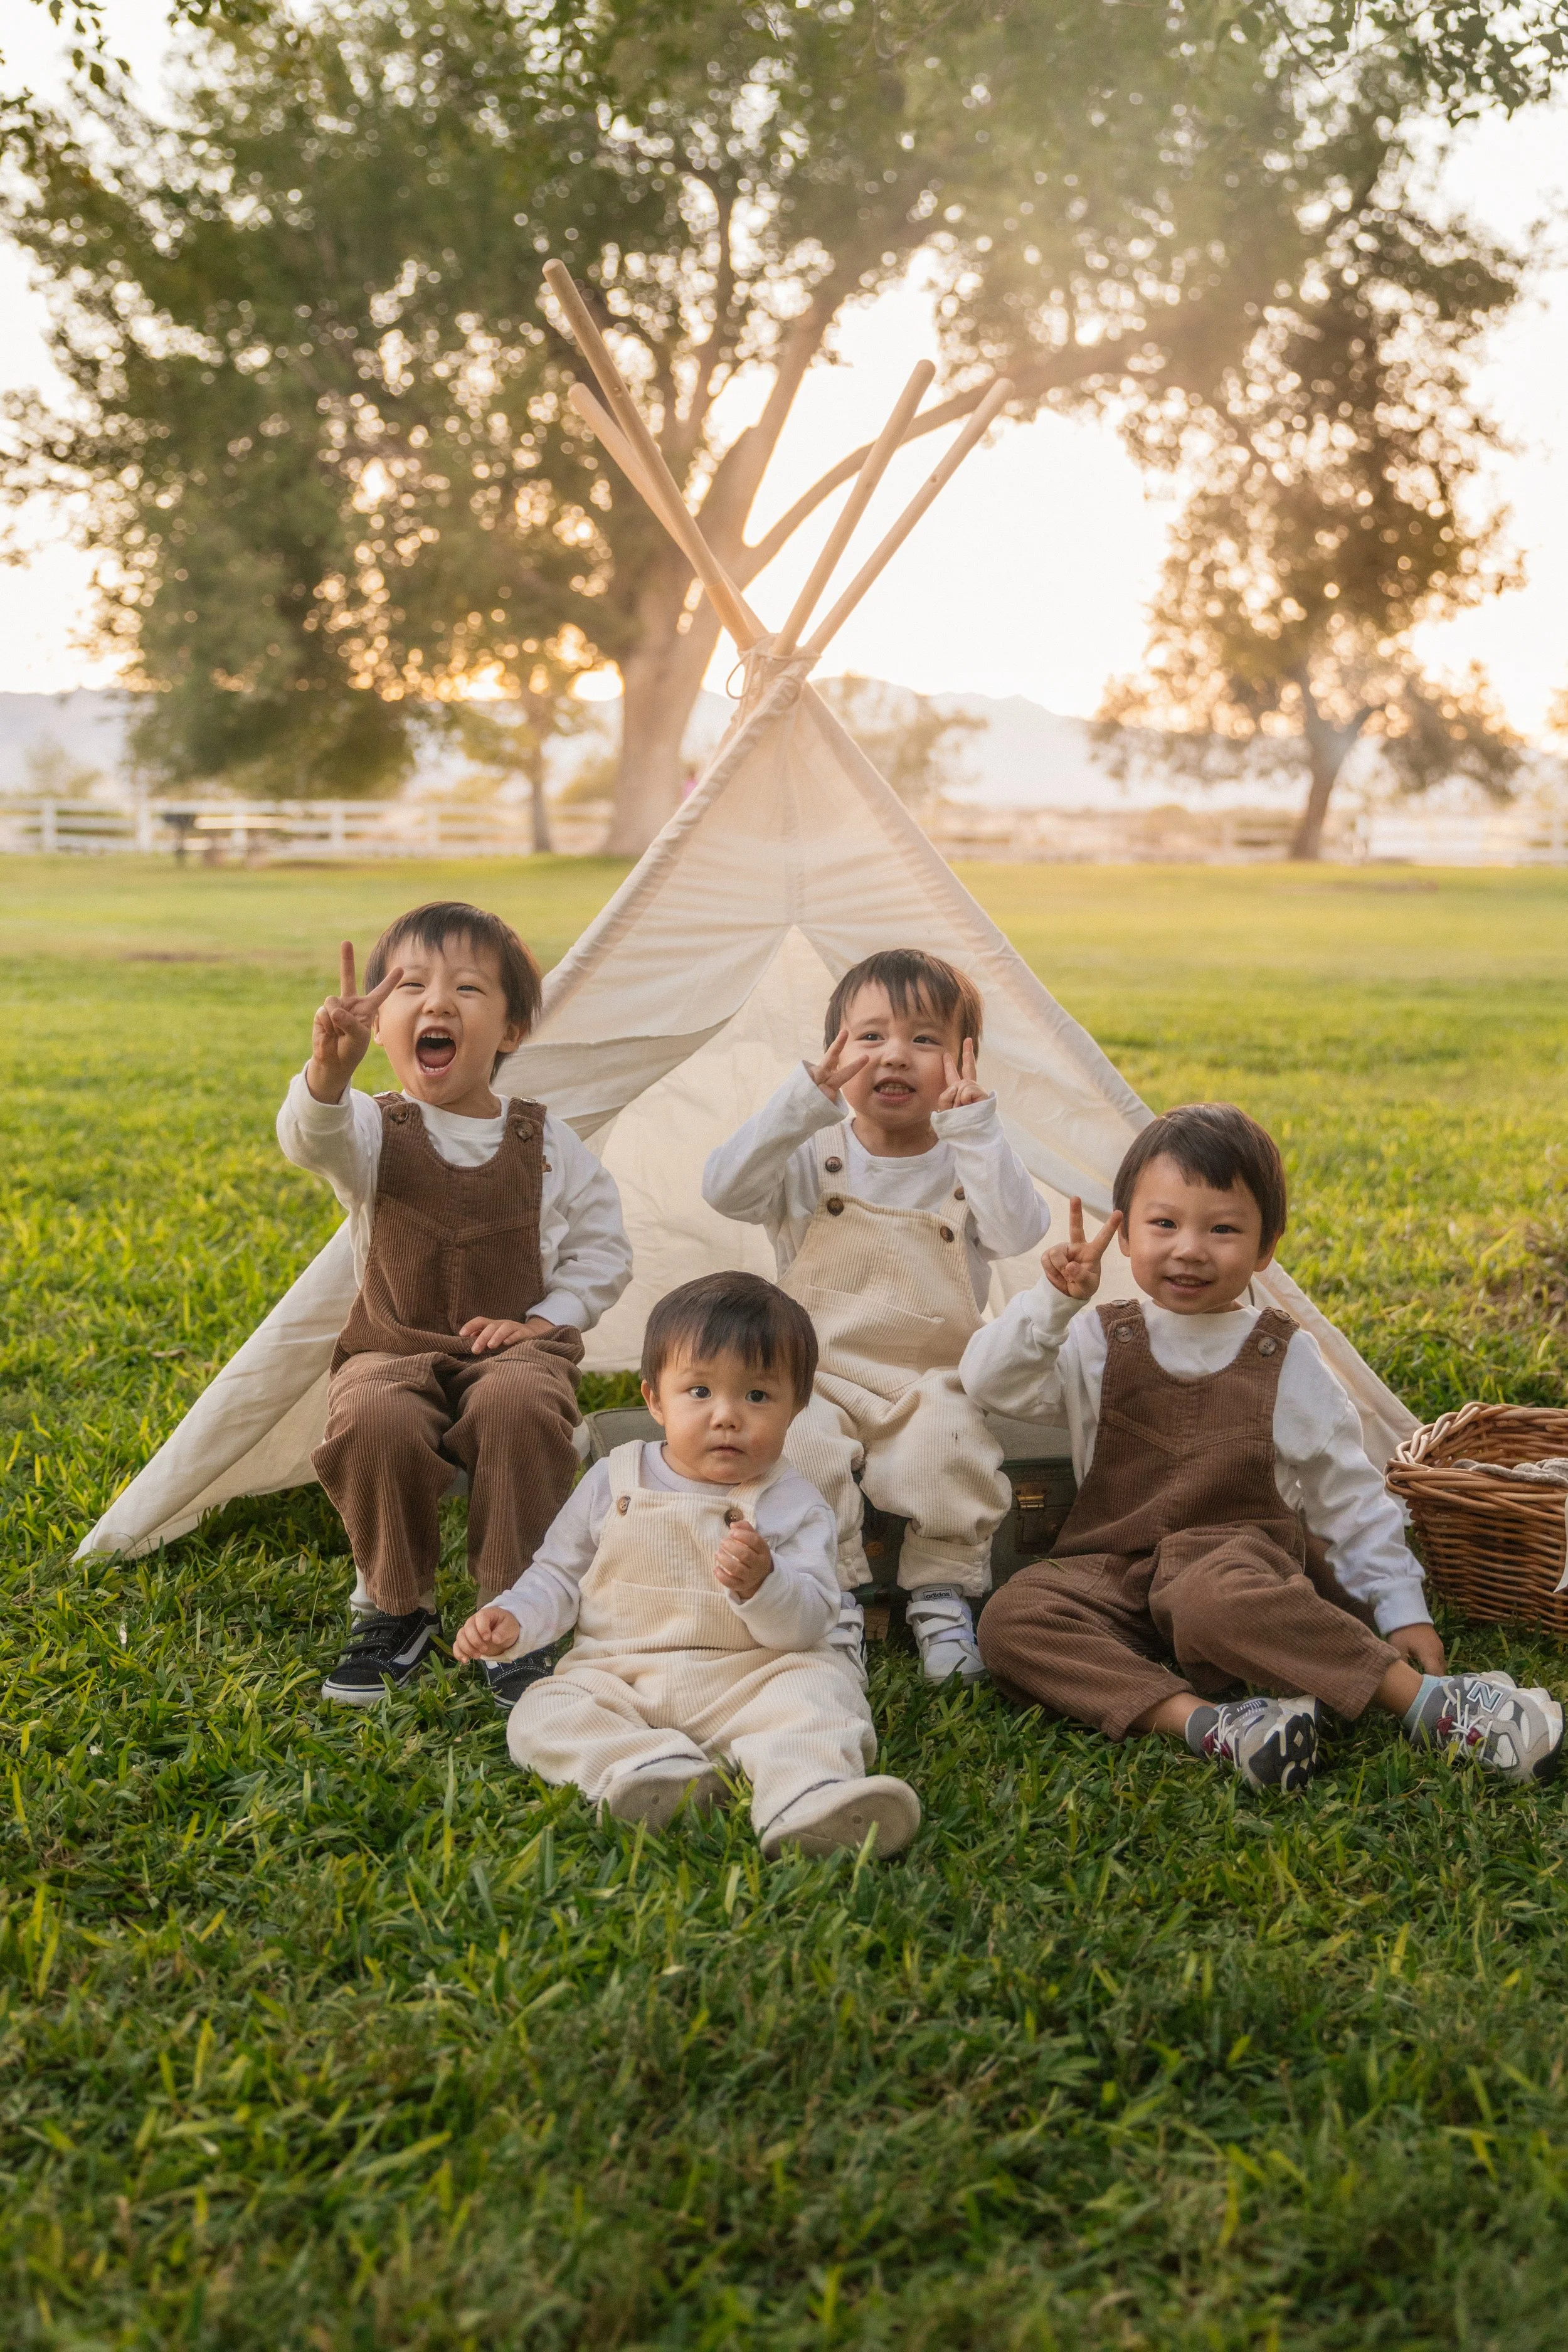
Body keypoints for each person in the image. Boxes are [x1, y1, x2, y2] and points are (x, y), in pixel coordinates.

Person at [964, 1103, 1563, 1791]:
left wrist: (1402, 1609)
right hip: (1113, 1571)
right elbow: (989, 1381)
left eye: (1222, 1229)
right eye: (1163, 1224)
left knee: (1213, 1603)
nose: (1189, 1248)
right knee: (1013, 1617)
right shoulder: (1099, 1338)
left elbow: (1348, 1495)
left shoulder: (1284, 1357)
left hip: (1233, 1572)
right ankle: (1213, 1724)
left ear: (1264, 1248)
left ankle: (1430, 1703)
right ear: (1124, 1234)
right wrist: (1051, 1301)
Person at [277, 901, 631, 1709]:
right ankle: (396, 1606)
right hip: (390, 1347)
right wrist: (328, 1073)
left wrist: (542, 1323)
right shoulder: (369, 1127)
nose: (436, 1004)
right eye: (410, 987)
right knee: (374, 1419)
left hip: (515, 1351)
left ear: (508, 1031)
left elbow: (603, 1253)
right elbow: (311, 1140)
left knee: (517, 1405)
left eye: (468, 989)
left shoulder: (545, 1144)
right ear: (381, 1019)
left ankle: (513, 1612)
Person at [455, 1272, 921, 1859]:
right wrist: (515, 1616)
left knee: (818, 1696)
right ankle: (647, 1769)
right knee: (540, 1711)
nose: (727, 1416)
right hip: (624, 1676)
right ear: (654, 1399)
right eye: (699, 1392)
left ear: (796, 1409)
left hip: (754, 1678)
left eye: (757, 1396)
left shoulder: (796, 1502)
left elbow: (809, 1624)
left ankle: (808, 1796)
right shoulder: (614, 1478)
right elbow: (558, 1574)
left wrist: (766, 1585)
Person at [702, 949, 1048, 1686]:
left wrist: (978, 1131)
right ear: (834, 1056)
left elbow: (1022, 1231)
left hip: (930, 1375)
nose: (894, 1055)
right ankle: (831, 1598)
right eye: (869, 1037)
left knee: (949, 1449)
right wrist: (799, 1103)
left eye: (924, 1040)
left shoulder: (967, 1162)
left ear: (962, 1059)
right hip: (811, 1372)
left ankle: (942, 1595)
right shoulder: (810, 1156)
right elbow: (725, 1190)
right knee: (801, 1452)